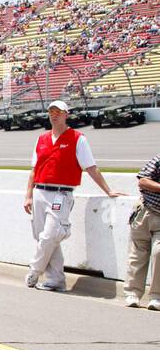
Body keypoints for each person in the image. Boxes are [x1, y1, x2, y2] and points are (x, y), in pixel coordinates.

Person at [23, 99, 121, 291]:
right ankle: (56, 280)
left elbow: (91, 167)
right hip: (39, 192)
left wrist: (108, 190)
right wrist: (27, 196)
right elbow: (34, 169)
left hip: (61, 194)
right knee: (43, 237)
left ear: (66, 114)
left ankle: (34, 270)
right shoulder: (41, 139)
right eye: (51, 111)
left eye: (59, 111)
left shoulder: (78, 139)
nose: (54, 114)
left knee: (50, 235)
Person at [123, 151, 160, 310]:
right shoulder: (159, 159)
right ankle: (133, 294)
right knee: (137, 254)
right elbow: (143, 181)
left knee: (159, 253)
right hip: (145, 212)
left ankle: (156, 296)